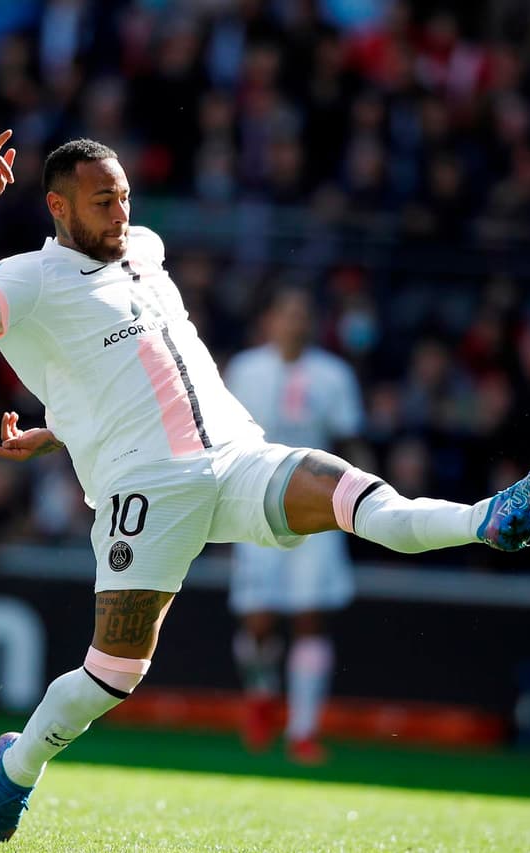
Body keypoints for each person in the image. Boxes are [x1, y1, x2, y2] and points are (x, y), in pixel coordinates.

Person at [0, 131, 530, 843]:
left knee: (357, 495)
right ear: (58, 205)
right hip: (145, 490)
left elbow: (119, 366)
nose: (119, 211)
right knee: (114, 673)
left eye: (123, 195)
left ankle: (492, 518)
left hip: (240, 455)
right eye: (101, 199)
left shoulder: (144, 248)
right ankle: (18, 764)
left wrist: (58, 424)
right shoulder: (30, 280)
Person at [222, 287, 367, 764]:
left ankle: (303, 731)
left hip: (319, 510)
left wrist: (364, 501)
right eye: (286, 314)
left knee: (310, 617)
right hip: (255, 503)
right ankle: (262, 695)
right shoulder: (244, 369)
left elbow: (350, 439)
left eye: (303, 315)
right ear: (271, 320)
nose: (294, 324)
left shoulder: (333, 375)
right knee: (259, 621)